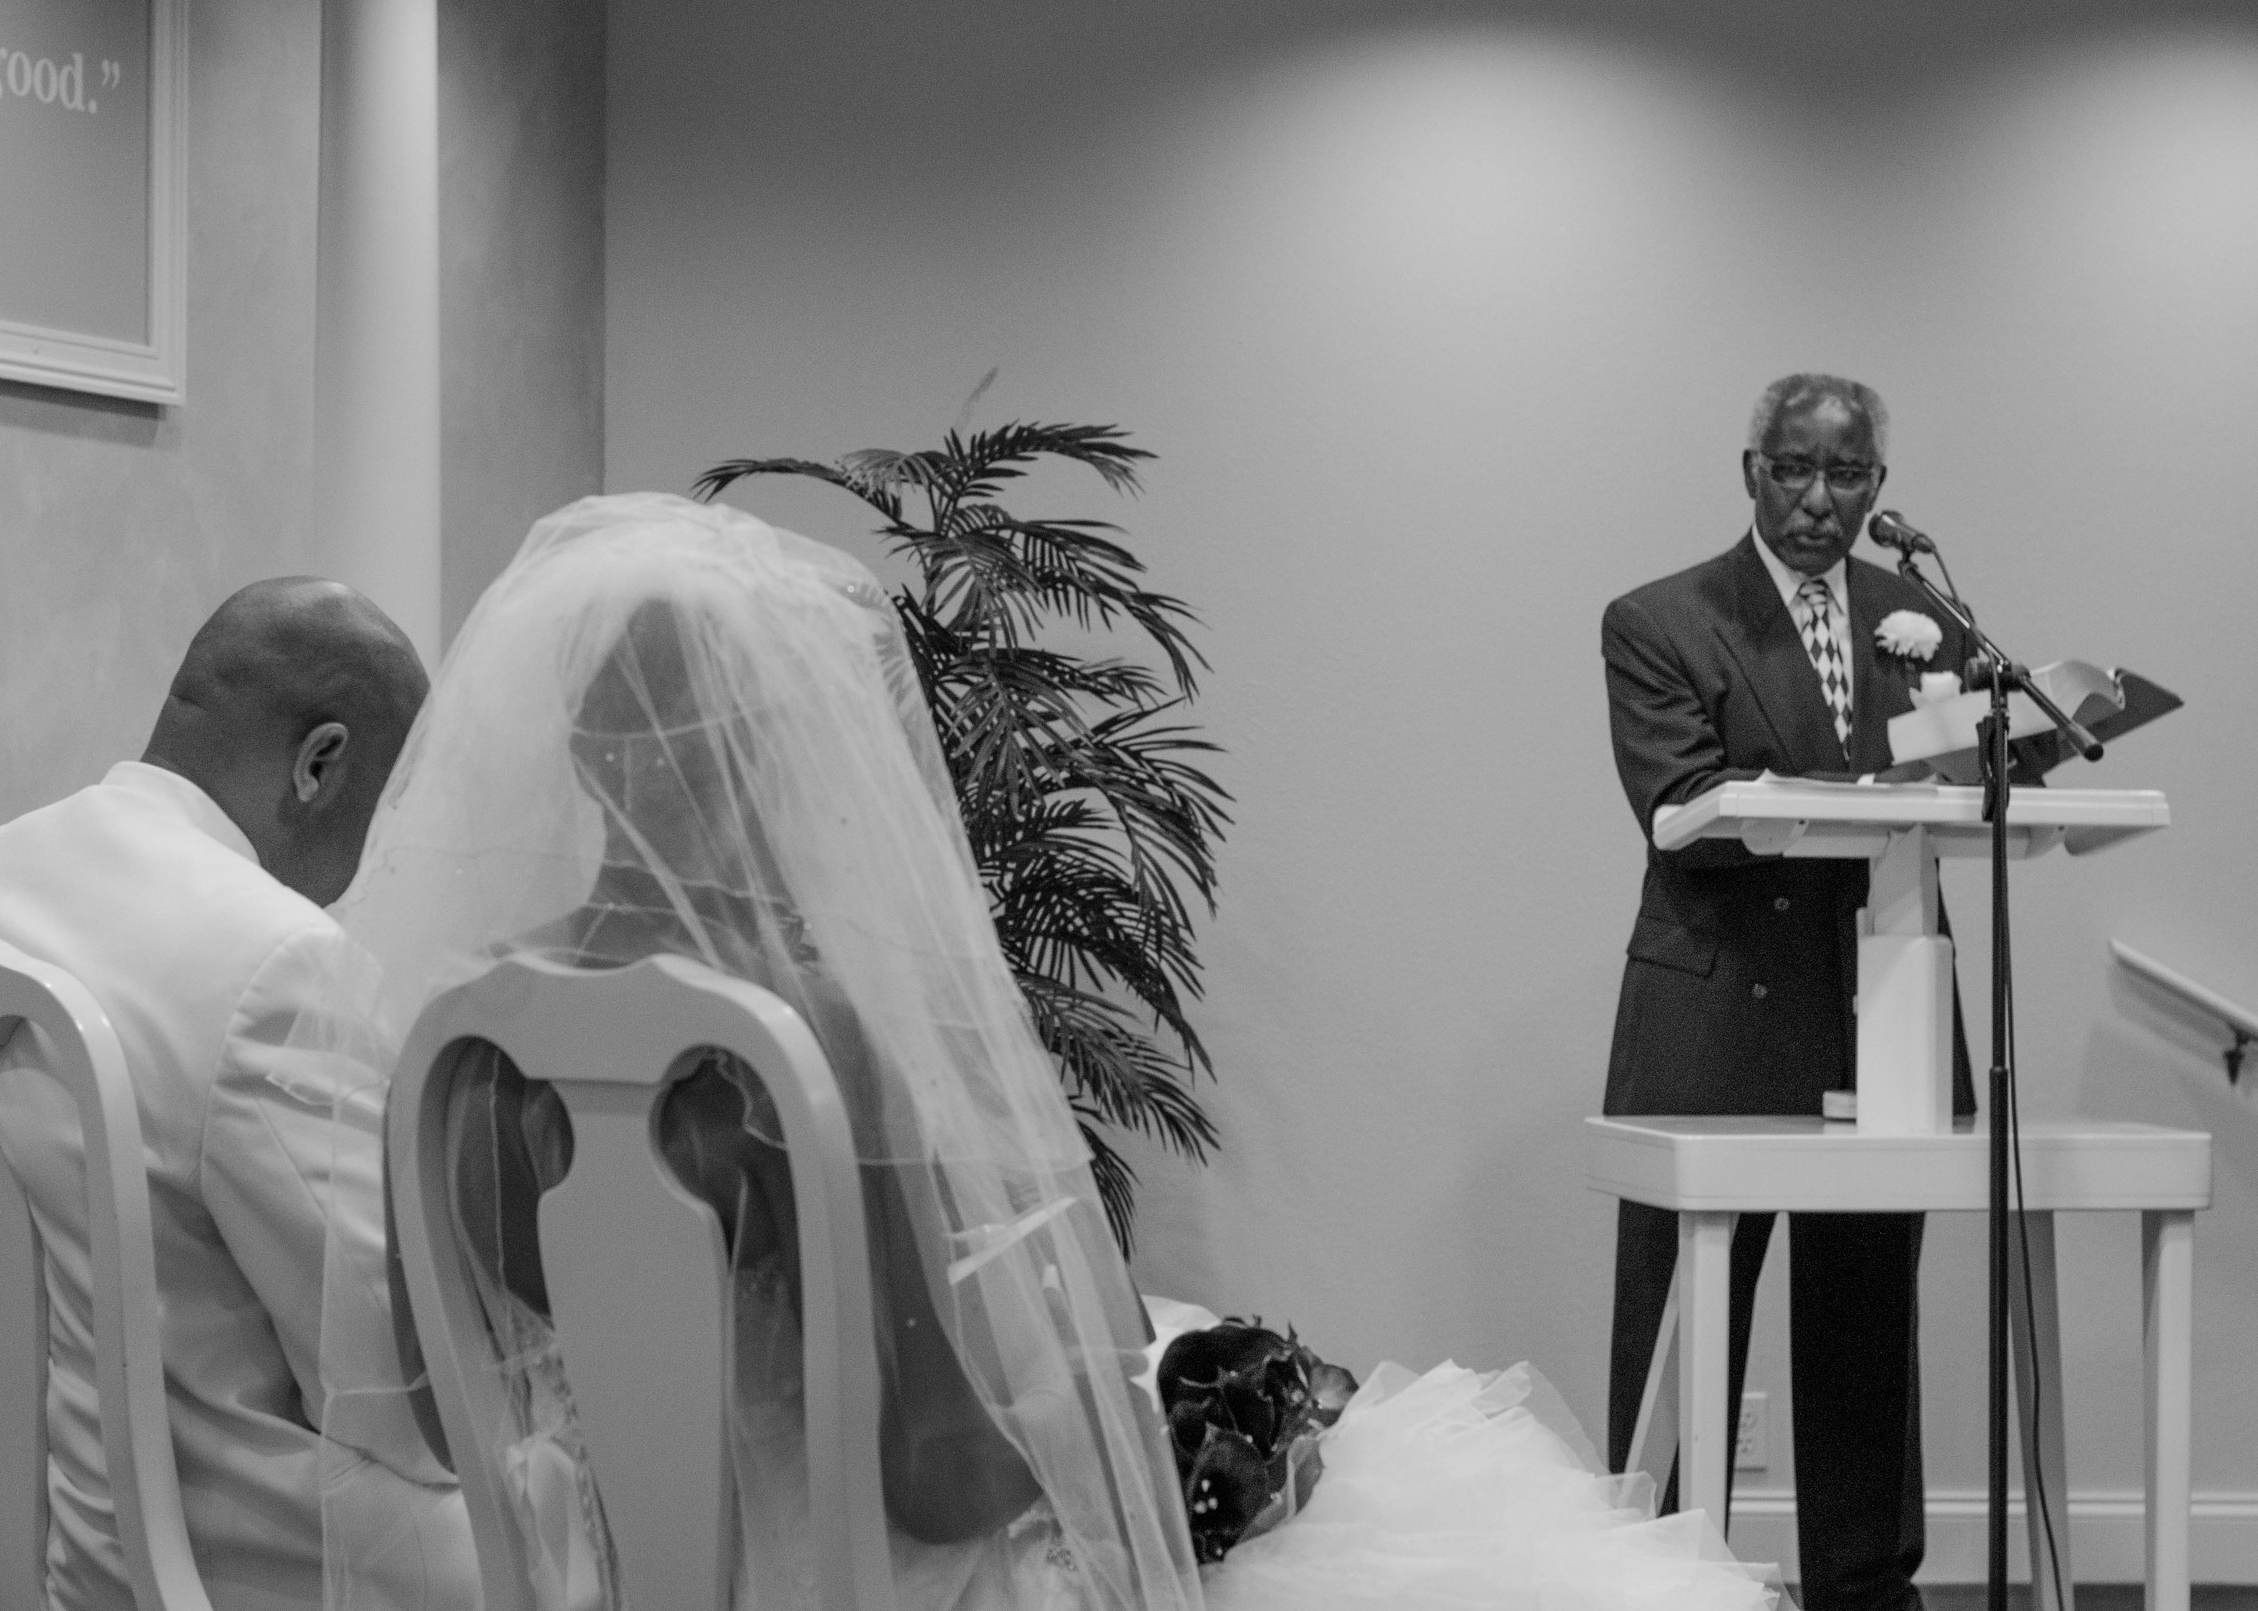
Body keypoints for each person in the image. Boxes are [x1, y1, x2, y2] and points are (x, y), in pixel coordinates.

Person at [312, 493, 1786, 1611]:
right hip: (845, 1585)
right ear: (775, 764)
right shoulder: (796, 1035)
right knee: (1370, 1503)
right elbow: (933, 1478)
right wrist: (1135, 1443)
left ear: (575, 758)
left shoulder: (461, 1040)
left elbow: (442, 1414)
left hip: (590, 1580)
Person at [0, 578, 473, 1610]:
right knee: (583, 1513)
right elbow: (393, 1396)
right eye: (389, 814)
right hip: (197, 1568)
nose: (372, 868)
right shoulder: (273, 957)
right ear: (321, 764)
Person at [1598, 374, 1976, 1610]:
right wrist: (1858, 796)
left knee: (1866, 1326)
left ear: (1878, 486)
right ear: (1750, 471)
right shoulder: (1660, 618)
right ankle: (1654, 1584)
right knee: (1682, 1326)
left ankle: (1865, 1589)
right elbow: (1677, 805)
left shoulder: (1924, 618)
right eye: (1795, 469)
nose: (1820, 498)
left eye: (1847, 474)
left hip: (1883, 1005)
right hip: (1720, 1010)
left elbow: (1963, 772)